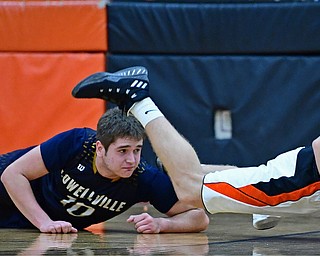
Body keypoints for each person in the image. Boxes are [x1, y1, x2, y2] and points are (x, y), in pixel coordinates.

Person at [72, 66, 320, 220]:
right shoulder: (73, 144)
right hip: (306, 179)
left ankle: (178, 166)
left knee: (213, 179)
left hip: (304, 180)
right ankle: (137, 98)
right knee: (190, 189)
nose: (131, 157)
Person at [0, 107, 209, 234]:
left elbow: (199, 217)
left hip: (34, 220)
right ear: (100, 148)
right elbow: (12, 174)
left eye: (137, 150)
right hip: (10, 189)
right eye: (123, 151)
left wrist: (162, 224)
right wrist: (44, 222)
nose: (131, 160)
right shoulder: (76, 144)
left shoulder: (143, 178)